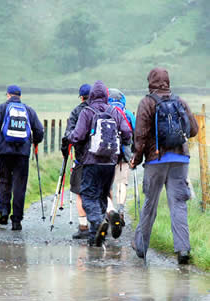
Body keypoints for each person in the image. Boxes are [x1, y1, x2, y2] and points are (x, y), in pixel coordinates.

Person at [130, 67, 198, 264]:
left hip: (156, 159)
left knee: (150, 203)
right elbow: (193, 130)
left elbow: (140, 136)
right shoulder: (180, 101)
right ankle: (183, 249)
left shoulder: (147, 102)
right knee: (178, 204)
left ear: (150, 81)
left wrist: (137, 158)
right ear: (168, 81)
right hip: (180, 159)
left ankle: (141, 246)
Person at [68, 80, 132, 247]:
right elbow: (127, 133)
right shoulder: (115, 111)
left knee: (88, 195)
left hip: (91, 161)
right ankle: (95, 237)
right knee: (103, 195)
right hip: (110, 163)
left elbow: (78, 136)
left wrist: (70, 138)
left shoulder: (87, 111)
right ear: (106, 95)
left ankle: (97, 224)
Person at [0, 84, 44, 231]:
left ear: (8, 95)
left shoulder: (2, 108)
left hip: (4, 152)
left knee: (4, 181)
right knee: (19, 185)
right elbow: (39, 131)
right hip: (22, 153)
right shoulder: (28, 110)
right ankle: (16, 220)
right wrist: (35, 141)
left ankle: (4, 211)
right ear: (20, 96)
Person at [61, 83, 91, 239]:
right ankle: (103, 220)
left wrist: (64, 151)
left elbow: (68, 134)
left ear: (81, 97)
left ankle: (83, 227)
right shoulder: (105, 108)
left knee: (80, 192)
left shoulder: (77, 111)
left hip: (81, 159)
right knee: (100, 191)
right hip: (103, 159)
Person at [108, 88, 136, 228]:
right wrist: (135, 153)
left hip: (107, 154)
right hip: (124, 153)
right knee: (122, 182)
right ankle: (120, 210)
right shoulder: (128, 114)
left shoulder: (105, 112)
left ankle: (110, 211)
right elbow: (136, 134)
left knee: (109, 184)